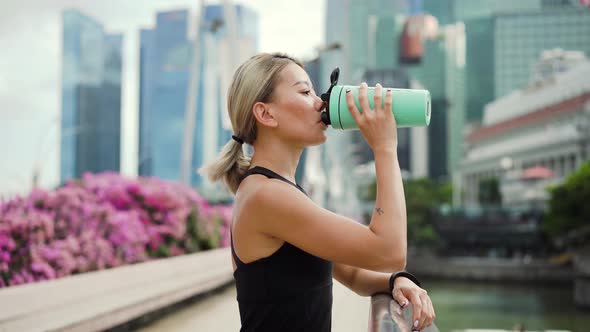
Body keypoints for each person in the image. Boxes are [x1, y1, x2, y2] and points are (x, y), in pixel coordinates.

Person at [202, 53, 435, 332]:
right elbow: (389, 250)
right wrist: (384, 147)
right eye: (304, 91)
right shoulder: (266, 196)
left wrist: (395, 280)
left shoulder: (280, 190)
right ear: (266, 114)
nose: (320, 102)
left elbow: (351, 272)